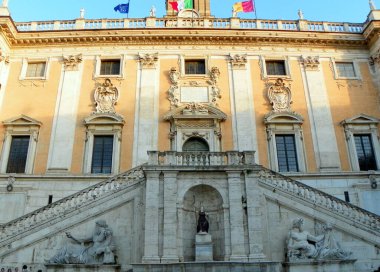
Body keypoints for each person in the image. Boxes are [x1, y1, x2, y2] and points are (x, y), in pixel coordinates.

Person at [48, 220, 116, 264]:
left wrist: (102, 249)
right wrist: (72, 236)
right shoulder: (95, 235)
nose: (96, 227)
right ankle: (53, 259)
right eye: (96, 225)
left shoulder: (107, 233)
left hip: (90, 257)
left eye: (97, 225)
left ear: (101, 226)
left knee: (72, 257)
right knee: (68, 246)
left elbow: (113, 246)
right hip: (86, 250)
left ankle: (58, 260)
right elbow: (83, 240)